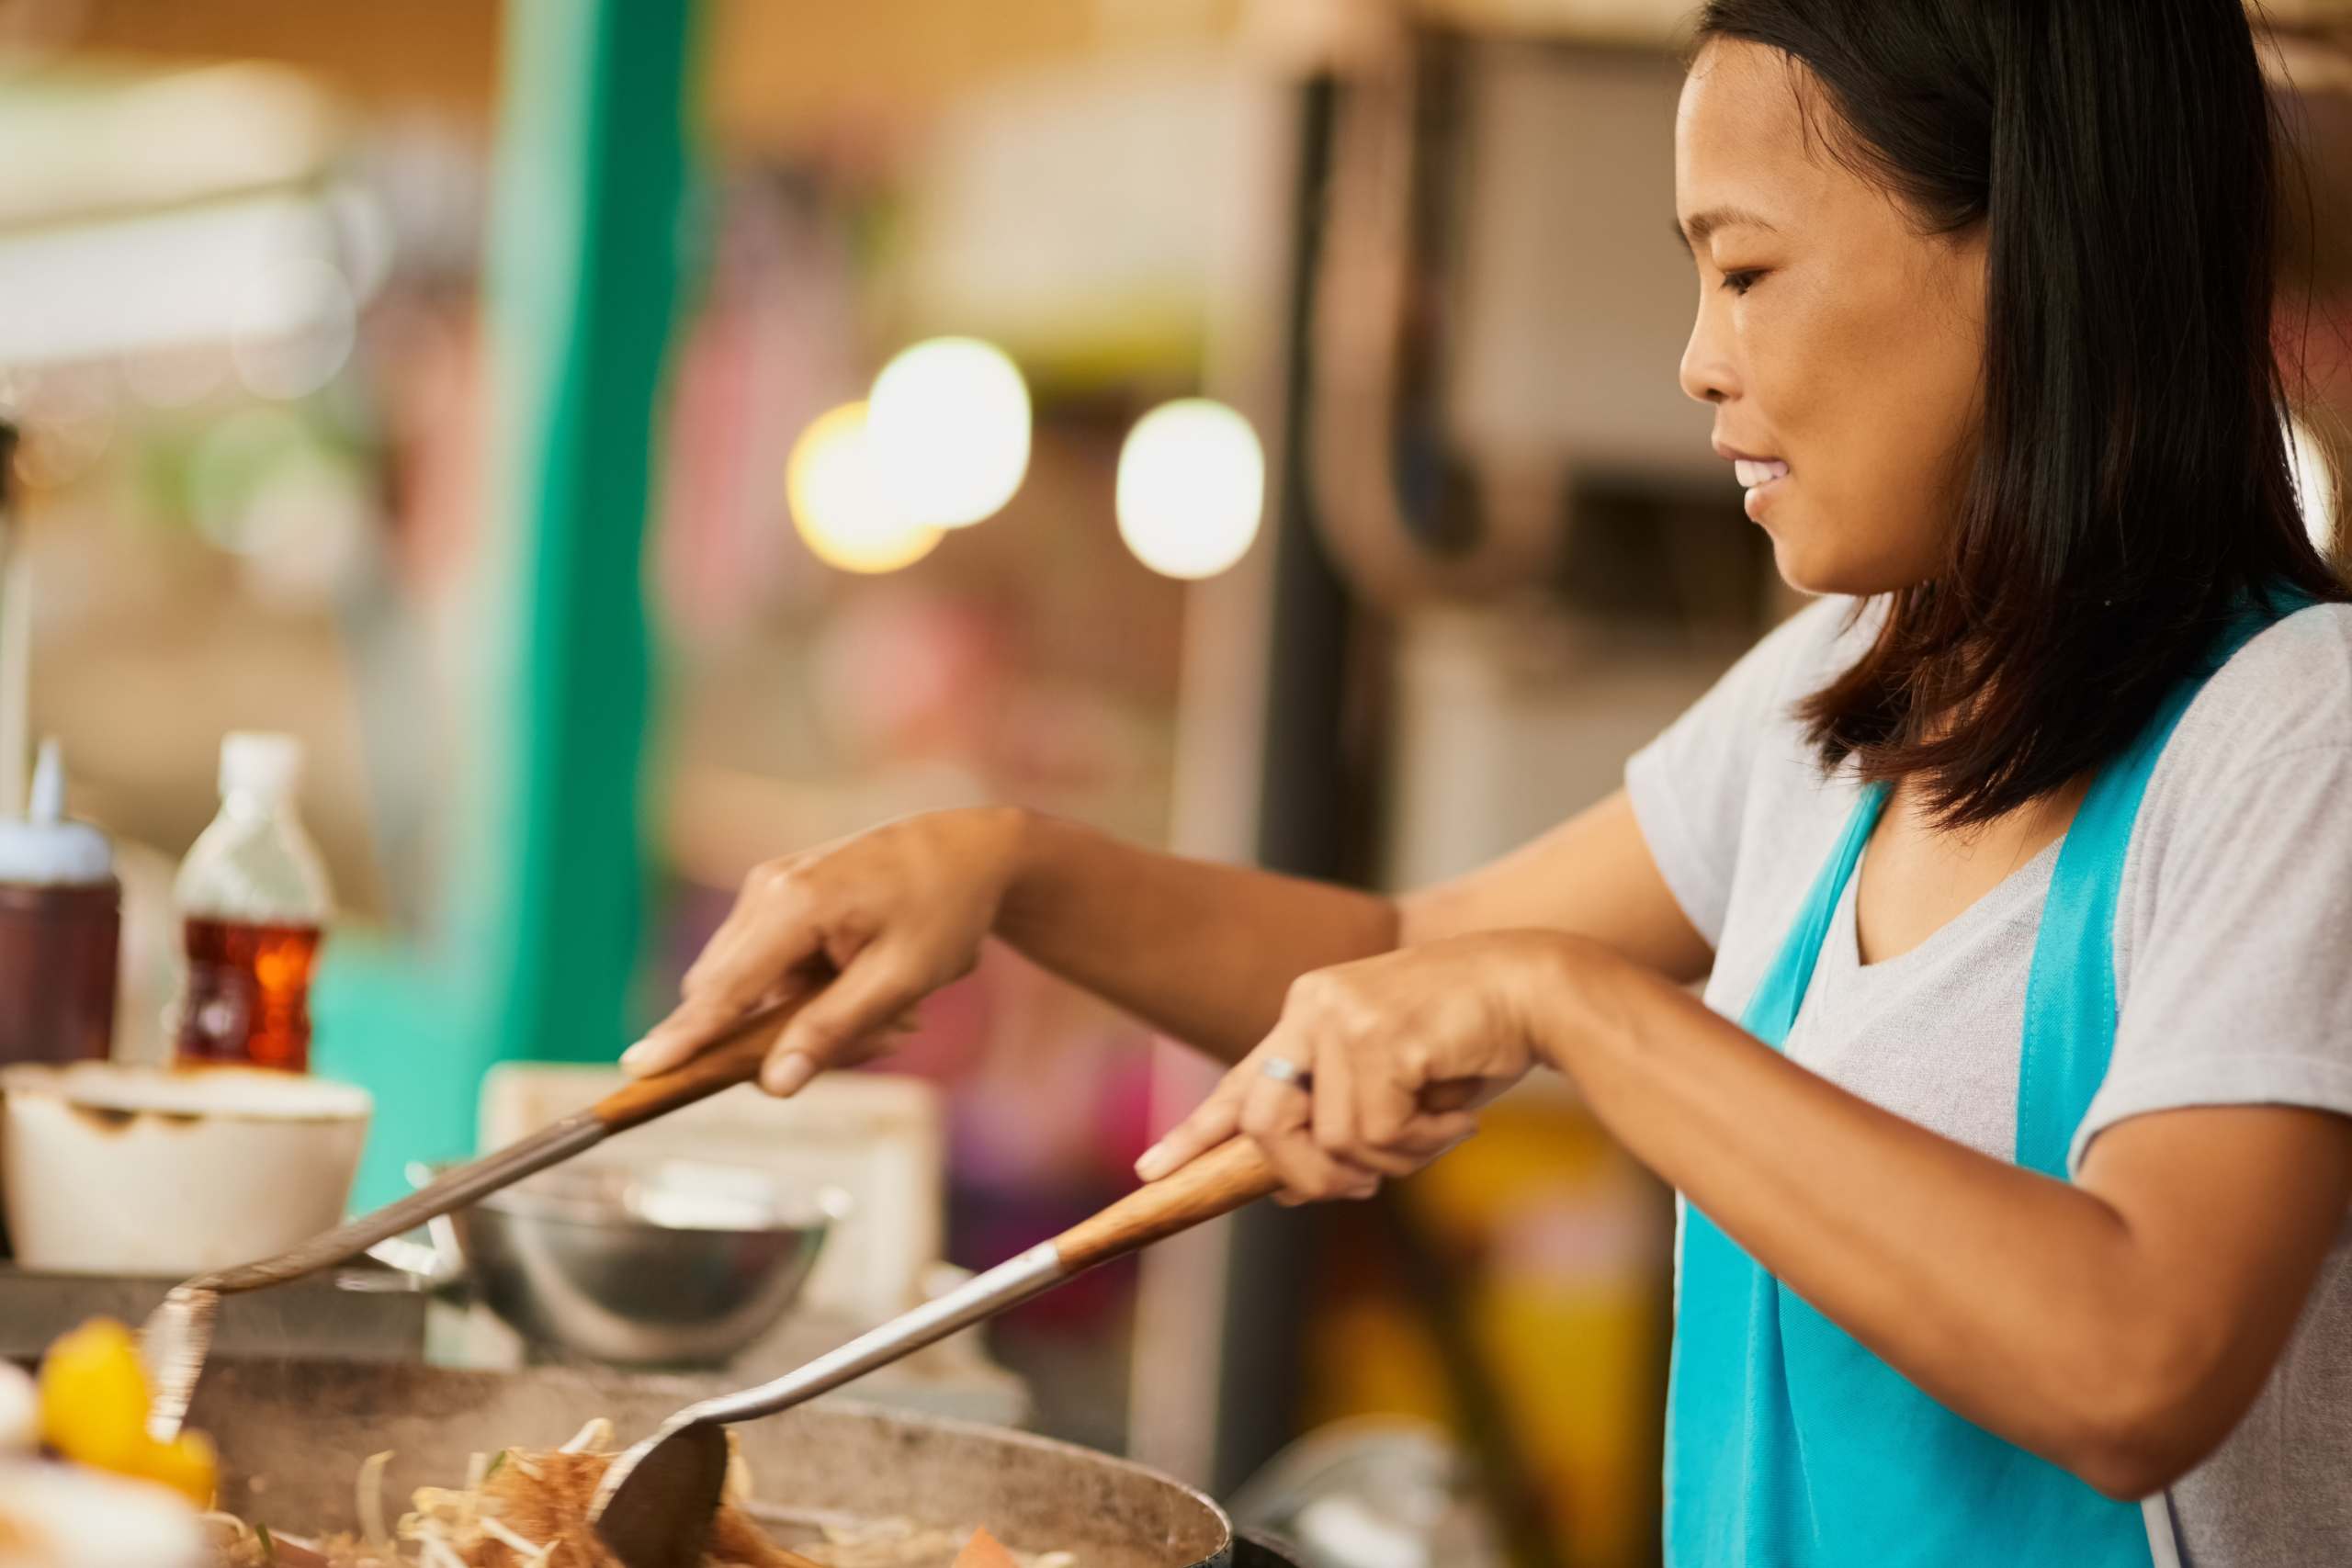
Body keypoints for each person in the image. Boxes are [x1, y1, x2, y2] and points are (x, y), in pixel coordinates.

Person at [624, 1, 2352, 1561]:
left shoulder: (2296, 739)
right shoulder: (1844, 705)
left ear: (2033, 264)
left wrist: (1577, 1008)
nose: (1698, 357)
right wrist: (1006, 870)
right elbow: (1407, 942)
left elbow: (2142, 1360)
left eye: (1745, 272)